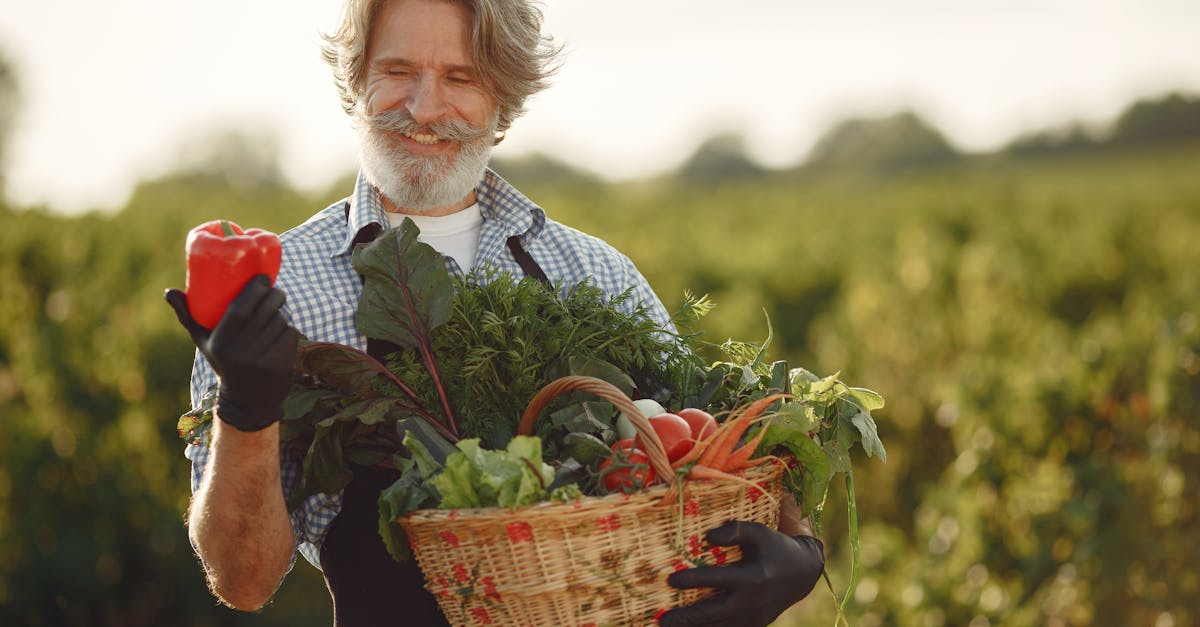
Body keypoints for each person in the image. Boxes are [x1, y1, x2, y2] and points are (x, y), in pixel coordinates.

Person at [165, 0, 825, 625]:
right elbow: (243, 580)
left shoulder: (592, 272)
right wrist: (247, 411)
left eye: (461, 76)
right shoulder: (279, 286)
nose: (425, 108)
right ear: (356, 80)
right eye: (397, 72)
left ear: (502, 98)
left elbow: (707, 444)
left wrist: (798, 547)